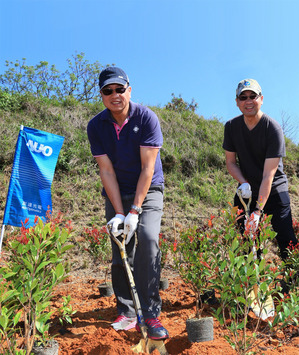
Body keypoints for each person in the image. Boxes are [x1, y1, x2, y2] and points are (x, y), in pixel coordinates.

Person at [87, 66, 169, 340]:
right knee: (120, 245)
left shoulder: (146, 118)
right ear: (101, 95)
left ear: (129, 90)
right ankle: (127, 310)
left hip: (149, 188)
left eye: (119, 89)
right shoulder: (96, 126)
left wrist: (134, 211)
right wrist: (119, 214)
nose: (114, 95)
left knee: (147, 238)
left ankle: (150, 312)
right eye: (108, 91)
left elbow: (148, 169)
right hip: (116, 189)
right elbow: (106, 171)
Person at [223, 78, 298, 261]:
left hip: (273, 189)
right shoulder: (231, 127)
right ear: (237, 102)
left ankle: (294, 281)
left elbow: (268, 175)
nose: (248, 101)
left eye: (252, 96)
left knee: (285, 238)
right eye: (243, 97)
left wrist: (257, 212)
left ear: (261, 99)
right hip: (248, 188)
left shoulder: (272, 128)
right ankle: (251, 283)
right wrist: (243, 182)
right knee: (244, 237)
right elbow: (231, 163)